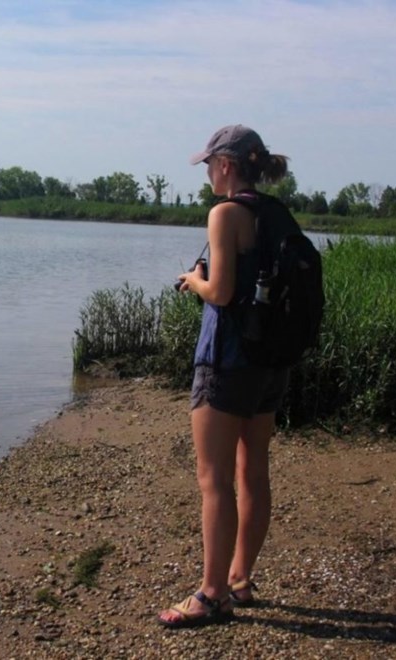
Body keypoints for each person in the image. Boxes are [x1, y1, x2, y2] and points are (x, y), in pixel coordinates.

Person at [158, 125, 290, 628]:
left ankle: (211, 595)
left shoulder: (225, 212)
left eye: (209, 165)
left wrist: (193, 279)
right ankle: (240, 579)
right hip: (269, 363)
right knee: (254, 469)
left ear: (228, 165)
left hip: (226, 361)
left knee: (214, 481)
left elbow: (221, 292)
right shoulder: (275, 213)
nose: (208, 174)